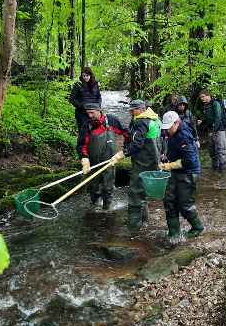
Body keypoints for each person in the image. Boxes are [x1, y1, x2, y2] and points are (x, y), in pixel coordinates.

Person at [159, 111, 204, 243]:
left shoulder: (184, 135)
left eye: (169, 127)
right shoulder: (171, 131)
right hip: (176, 172)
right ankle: (174, 233)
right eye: (165, 128)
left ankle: (197, 227)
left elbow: (188, 161)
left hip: (188, 172)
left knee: (185, 204)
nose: (167, 130)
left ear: (177, 123)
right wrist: (165, 156)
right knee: (169, 201)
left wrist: (169, 165)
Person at [77, 103, 129, 210]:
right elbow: (81, 145)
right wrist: (84, 158)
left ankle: (107, 208)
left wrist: (126, 150)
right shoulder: (87, 125)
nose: (90, 116)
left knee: (108, 186)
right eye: (88, 113)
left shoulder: (111, 120)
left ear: (99, 110)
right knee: (94, 187)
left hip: (110, 161)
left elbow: (126, 133)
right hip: (93, 162)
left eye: (92, 113)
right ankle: (95, 207)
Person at [122, 99, 162, 231]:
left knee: (135, 192)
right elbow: (163, 140)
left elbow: (137, 143)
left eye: (133, 110)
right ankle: (144, 221)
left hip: (142, 161)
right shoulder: (155, 119)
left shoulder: (141, 121)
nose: (131, 112)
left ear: (141, 109)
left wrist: (124, 153)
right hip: (154, 160)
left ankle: (133, 226)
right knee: (143, 191)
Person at [197, 89, 226, 173]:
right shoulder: (206, 105)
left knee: (221, 150)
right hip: (210, 130)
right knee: (212, 150)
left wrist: (214, 130)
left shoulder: (215, 103)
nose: (202, 99)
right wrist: (202, 121)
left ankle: (223, 171)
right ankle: (214, 169)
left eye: (203, 97)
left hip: (219, 129)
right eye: (200, 97)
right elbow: (209, 118)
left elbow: (218, 117)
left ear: (208, 96)